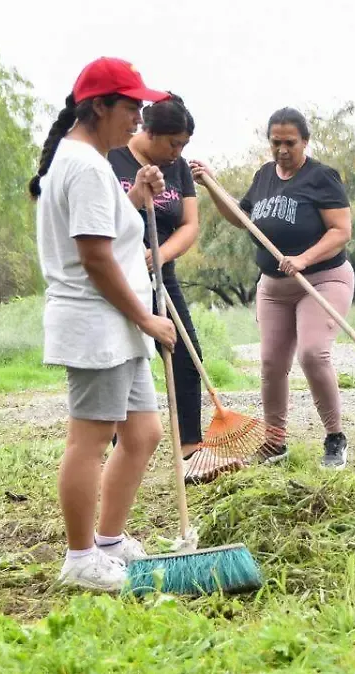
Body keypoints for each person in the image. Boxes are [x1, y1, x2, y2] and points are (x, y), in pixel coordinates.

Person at [29, 56, 176, 592]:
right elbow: (94, 258)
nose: (138, 117)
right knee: (88, 443)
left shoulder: (88, 161)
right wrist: (148, 318)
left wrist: (135, 196)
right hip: (98, 324)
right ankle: (79, 557)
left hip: (119, 325)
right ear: (98, 106)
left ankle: (109, 542)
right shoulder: (86, 166)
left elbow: (108, 233)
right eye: (131, 105)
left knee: (142, 433)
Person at [194, 107, 354, 470]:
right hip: (273, 287)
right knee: (271, 363)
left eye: (290, 143)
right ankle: (275, 443)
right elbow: (242, 219)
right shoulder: (264, 176)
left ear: (305, 142)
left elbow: (341, 232)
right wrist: (212, 185)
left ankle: (335, 437)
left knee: (313, 353)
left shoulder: (322, 177)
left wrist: (304, 258)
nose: (282, 150)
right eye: (275, 142)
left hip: (323, 280)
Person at [108, 94, 242, 484]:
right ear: (149, 131)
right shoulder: (113, 158)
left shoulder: (177, 167)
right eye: (172, 143)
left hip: (160, 273)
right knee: (126, 358)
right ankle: (120, 447)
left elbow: (189, 225)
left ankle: (190, 450)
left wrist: (161, 255)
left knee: (185, 353)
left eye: (184, 145)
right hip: (118, 276)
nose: (178, 152)